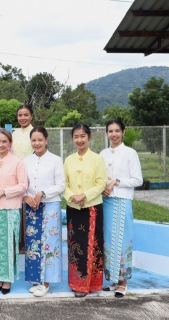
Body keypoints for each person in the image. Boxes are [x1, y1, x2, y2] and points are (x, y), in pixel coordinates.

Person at [63, 123, 107, 298]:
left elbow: (101, 183)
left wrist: (84, 196)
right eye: (76, 136)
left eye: (82, 136)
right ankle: (77, 283)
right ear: (72, 138)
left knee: (92, 245)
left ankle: (92, 284)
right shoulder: (68, 160)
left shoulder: (97, 159)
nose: (79, 140)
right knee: (76, 247)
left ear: (89, 137)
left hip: (92, 208)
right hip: (74, 209)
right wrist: (72, 196)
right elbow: (63, 184)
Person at [100, 119, 143, 298]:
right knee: (109, 240)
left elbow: (137, 180)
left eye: (117, 131)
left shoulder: (130, 153)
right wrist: (103, 186)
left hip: (123, 201)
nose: (114, 134)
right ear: (107, 133)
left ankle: (123, 282)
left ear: (123, 132)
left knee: (123, 239)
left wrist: (116, 182)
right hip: (107, 202)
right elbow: (100, 177)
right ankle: (112, 280)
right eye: (110, 131)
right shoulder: (102, 153)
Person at [0, 129, 27, 295]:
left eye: (4, 142)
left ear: (10, 143)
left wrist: (4, 191)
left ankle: (7, 279)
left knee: (9, 244)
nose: (1, 145)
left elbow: (23, 185)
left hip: (10, 208)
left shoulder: (17, 162)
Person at [23, 126, 66, 297]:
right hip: (32, 207)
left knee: (49, 243)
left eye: (40, 140)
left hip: (50, 206)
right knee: (33, 243)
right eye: (34, 140)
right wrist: (26, 196)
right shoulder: (26, 161)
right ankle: (36, 279)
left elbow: (61, 185)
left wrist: (43, 193)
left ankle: (46, 282)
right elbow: (23, 183)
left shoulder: (55, 160)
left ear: (46, 140)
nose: (37, 143)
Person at [12, 104, 34, 254]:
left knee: (30, 208)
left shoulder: (35, 132)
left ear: (31, 116)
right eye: (20, 115)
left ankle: (29, 242)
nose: (23, 118)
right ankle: (18, 243)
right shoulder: (13, 133)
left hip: (32, 175)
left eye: (26, 115)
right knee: (17, 209)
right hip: (15, 176)